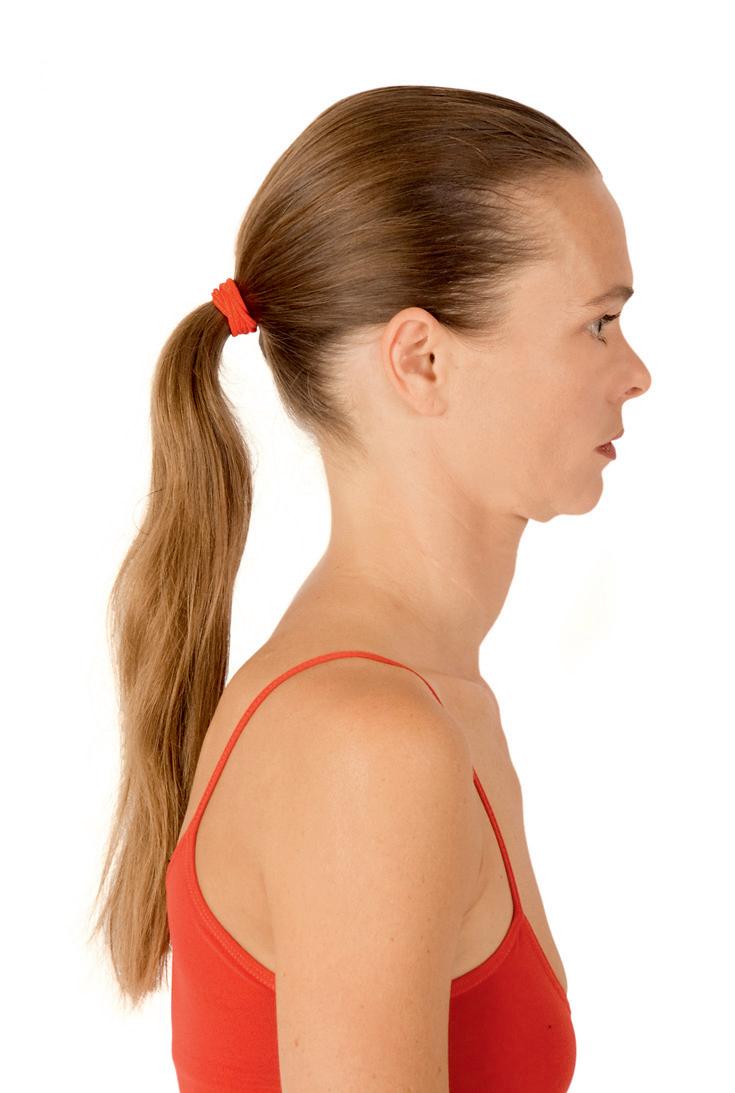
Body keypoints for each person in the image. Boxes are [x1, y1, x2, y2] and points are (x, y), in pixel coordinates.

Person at [90, 84, 651, 1091]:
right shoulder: (368, 743)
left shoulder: (428, 706)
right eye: (599, 324)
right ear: (422, 360)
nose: (637, 372)